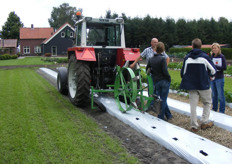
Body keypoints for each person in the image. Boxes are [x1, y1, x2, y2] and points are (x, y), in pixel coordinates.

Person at [180, 38, 216, 132]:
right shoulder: (205, 57)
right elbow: (213, 70)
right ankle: (204, 122)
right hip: (203, 84)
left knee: (193, 105)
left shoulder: (187, 57)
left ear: (192, 46)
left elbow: (183, 73)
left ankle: (194, 126)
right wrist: (211, 76)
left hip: (191, 85)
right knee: (207, 103)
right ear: (201, 46)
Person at [129, 38, 170, 112]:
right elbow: (140, 56)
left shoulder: (161, 51)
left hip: (158, 74)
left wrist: (165, 67)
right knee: (151, 90)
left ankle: (155, 106)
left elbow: (167, 58)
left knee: (156, 92)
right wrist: (133, 64)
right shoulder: (147, 50)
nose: (156, 44)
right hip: (151, 73)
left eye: (157, 42)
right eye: (154, 42)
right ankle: (151, 105)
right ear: (151, 43)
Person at [146, 42, 173, 121]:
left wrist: (153, 74)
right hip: (164, 80)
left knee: (161, 98)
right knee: (163, 99)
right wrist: (169, 78)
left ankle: (169, 115)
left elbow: (147, 69)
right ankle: (160, 116)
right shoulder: (162, 59)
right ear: (163, 49)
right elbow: (165, 71)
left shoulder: (151, 59)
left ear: (155, 49)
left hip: (156, 81)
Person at [210, 43, 227, 113]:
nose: (214, 49)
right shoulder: (211, 57)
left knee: (220, 95)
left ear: (219, 49)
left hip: (219, 78)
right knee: (214, 95)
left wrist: (215, 67)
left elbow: (224, 67)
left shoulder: (222, 56)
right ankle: (214, 108)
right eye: (213, 48)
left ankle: (222, 111)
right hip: (213, 78)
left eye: (215, 48)